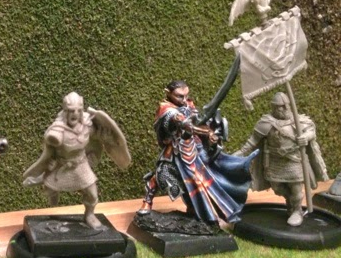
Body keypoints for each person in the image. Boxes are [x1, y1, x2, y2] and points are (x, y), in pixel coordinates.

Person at [139, 80, 256, 224]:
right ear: (168, 93)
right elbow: (185, 124)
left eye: (186, 95)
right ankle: (147, 202)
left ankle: (194, 209)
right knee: (160, 175)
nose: (184, 99)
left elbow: (199, 122)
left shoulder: (189, 105)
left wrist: (210, 131)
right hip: (175, 150)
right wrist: (205, 132)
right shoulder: (166, 108)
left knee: (195, 181)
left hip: (193, 150)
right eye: (179, 96)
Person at [23, 92, 131, 229]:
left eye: (78, 110)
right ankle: (46, 186)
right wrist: (49, 162)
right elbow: (49, 149)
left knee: (92, 194)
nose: (75, 114)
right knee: (50, 189)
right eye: (71, 111)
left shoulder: (87, 126)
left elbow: (99, 136)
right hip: (61, 166)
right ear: (65, 111)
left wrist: (108, 137)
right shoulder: (57, 130)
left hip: (81, 165)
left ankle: (89, 215)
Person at [233, 92, 328, 226]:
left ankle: (297, 211)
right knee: (277, 188)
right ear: (272, 107)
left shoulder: (298, 121)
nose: (281, 109)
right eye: (277, 107)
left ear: (289, 106)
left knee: (296, 189)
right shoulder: (266, 123)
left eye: (283, 106)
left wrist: (305, 137)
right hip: (275, 162)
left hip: (294, 161)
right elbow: (252, 141)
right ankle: (290, 200)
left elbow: (311, 130)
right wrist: (240, 153)